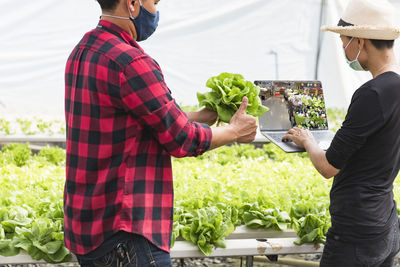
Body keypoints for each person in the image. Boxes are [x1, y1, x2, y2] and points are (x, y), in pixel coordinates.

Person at [64, 0, 258, 266]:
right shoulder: (131, 61)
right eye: (153, 2)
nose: (156, 11)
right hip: (128, 230)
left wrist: (205, 116)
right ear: (132, 4)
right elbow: (182, 139)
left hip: (89, 225)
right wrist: (234, 132)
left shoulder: (84, 50)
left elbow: (141, 118)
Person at [283, 0, 400, 266]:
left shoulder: (372, 93)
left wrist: (308, 140)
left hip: (357, 230)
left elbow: (327, 167)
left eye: (344, 41)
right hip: (386, 224)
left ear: (359, 42)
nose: (344, 49)